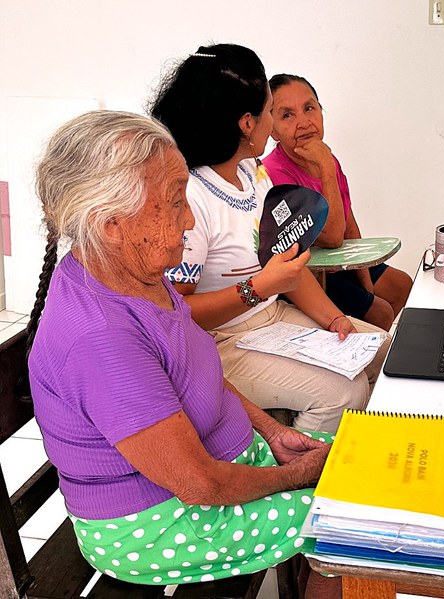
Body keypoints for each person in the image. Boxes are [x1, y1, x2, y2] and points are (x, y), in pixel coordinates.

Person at [26, 110, 340, 597]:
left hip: (218, 465)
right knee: (350, 524)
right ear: (110, 224)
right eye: (175, 203)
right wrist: (295, 475)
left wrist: (273, 432)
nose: (189, 219)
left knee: (359, 466)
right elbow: (200, 485)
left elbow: (199, 371)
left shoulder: (133, 272)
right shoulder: (100, 337)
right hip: (156, 521)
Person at [149, 45, 388, 433]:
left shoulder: (253, 173)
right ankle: (301, 465)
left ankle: (351, 450)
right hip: (217, 342)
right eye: (272, 110)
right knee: (345, 392)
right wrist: (258, 288)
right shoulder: (193, 195)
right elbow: (174, 312)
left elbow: (286, 264)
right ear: (247, 123)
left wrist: (334, 319)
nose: (275, 123)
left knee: (380, 350)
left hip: (271, 318)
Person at [263, 74, 412, 331]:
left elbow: (349, 226)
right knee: (381, 312)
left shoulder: (327, 159)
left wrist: (366, 284)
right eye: (287, 115)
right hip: (306, 274)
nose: (304, 122)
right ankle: (364, 349)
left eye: (309, 108)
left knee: (401, 285)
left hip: (338, 263)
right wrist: (325, 166)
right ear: (272, 129)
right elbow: (332, 237)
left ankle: (371, 345)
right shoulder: (274, 173)